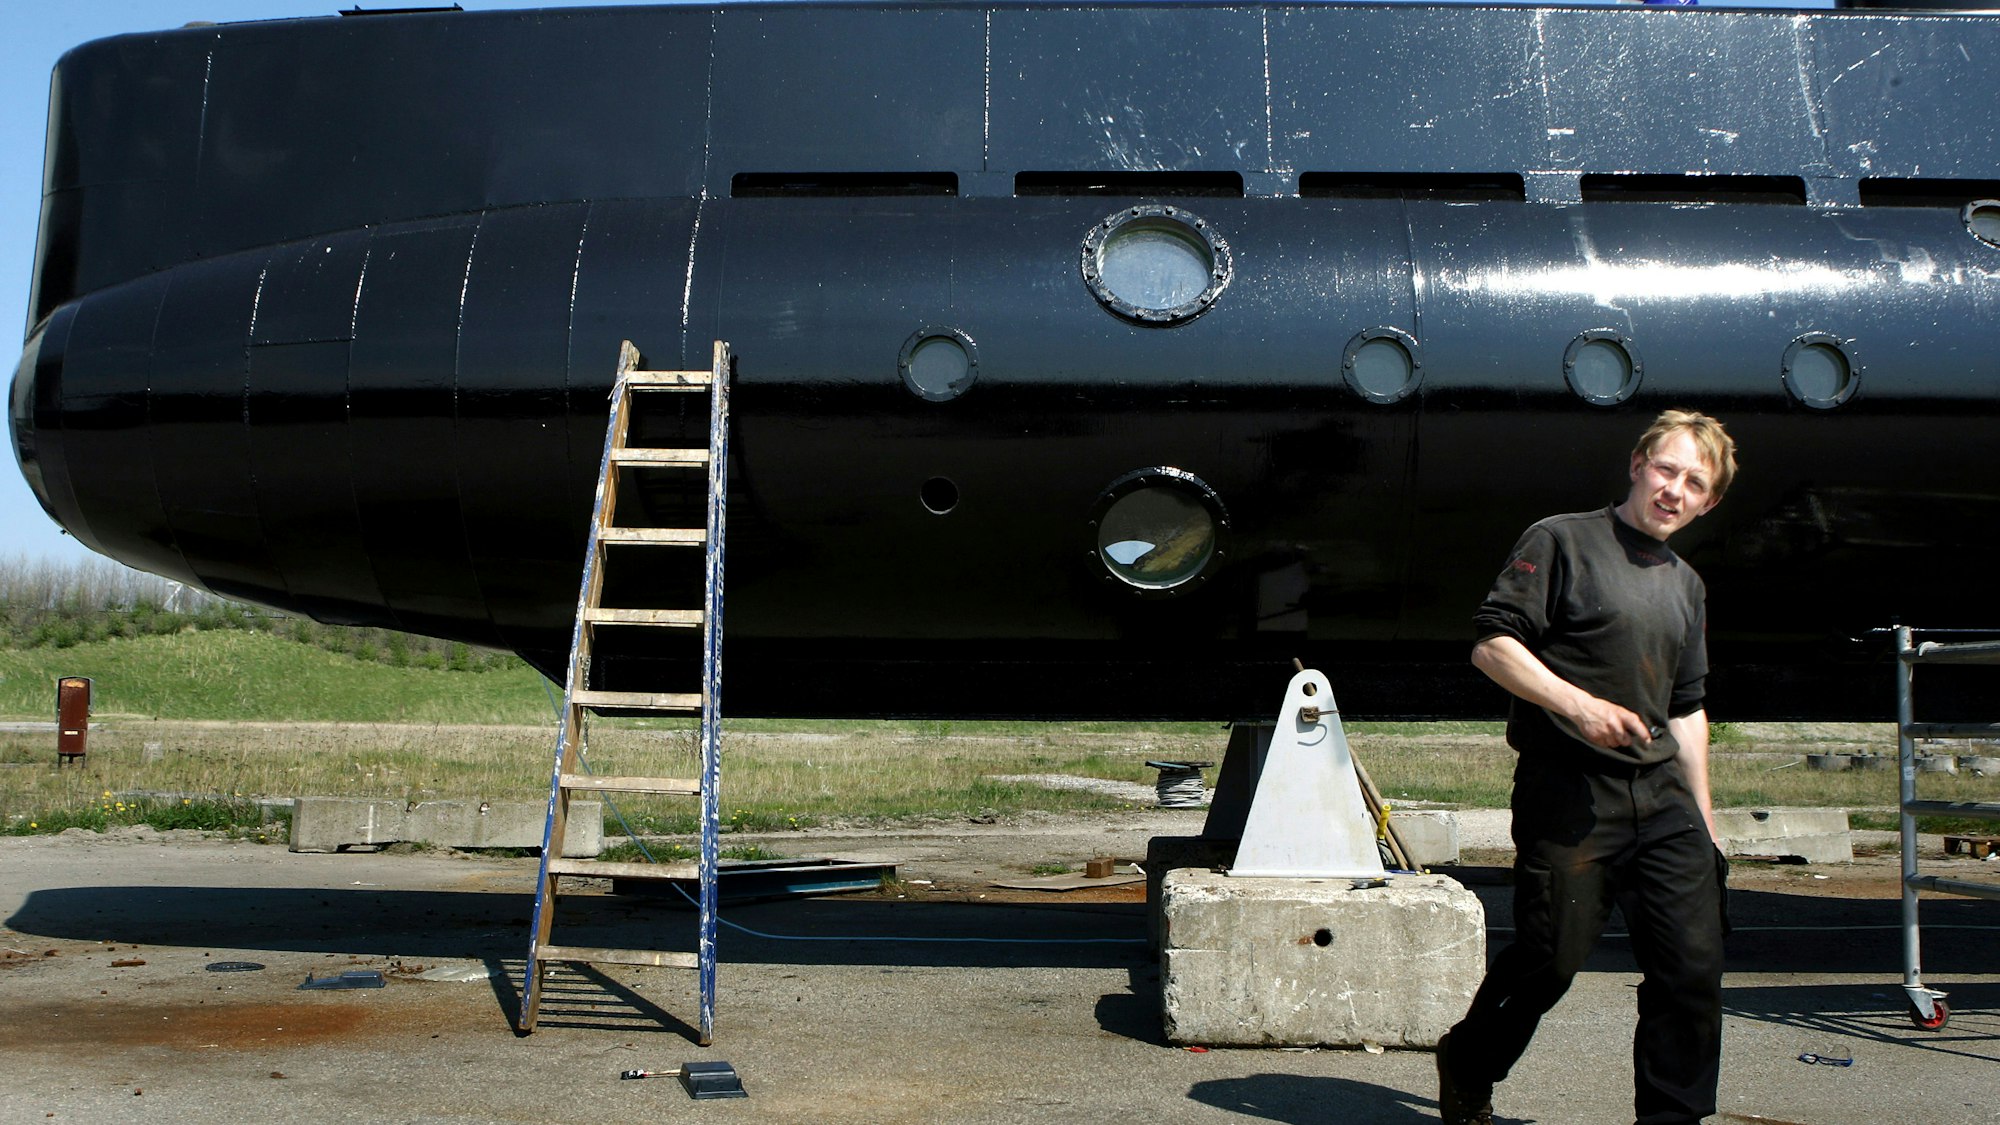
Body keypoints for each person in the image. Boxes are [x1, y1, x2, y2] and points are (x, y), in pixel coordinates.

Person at [1437, 410, 1739, 1125]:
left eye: (1694, 482)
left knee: (1692, 973)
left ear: (1710, 501)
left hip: (1664, 801)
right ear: (1638, 463)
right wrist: (1578, 706)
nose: (1674, 489)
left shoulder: (1687, 585)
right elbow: (1492, 647)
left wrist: (1705, 820)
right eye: (1666, 469)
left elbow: (1688, 708)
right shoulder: (1562, 539)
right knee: (1550, 961)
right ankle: (1469, 1059)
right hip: (1570, 792)